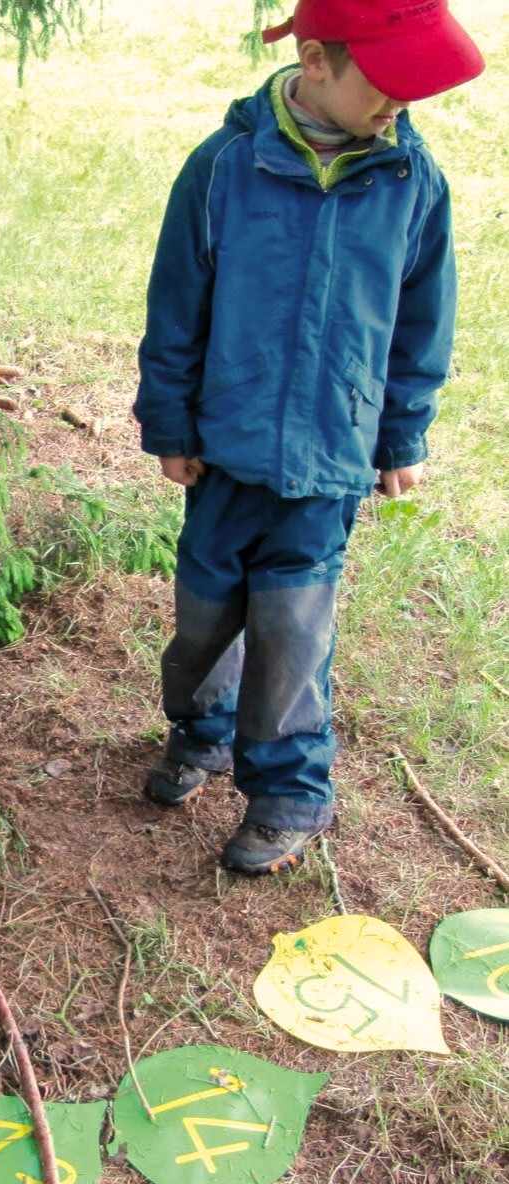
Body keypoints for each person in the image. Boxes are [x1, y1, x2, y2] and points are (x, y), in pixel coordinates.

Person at [133, 0, 483, 875]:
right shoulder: (223, 168)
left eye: (413, 91)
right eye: (387, 85)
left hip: (332, 454)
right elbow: (175, 307)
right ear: (318, 60)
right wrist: (170, 423)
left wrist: (401, 432)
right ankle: (202, 730)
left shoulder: (411, 181)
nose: (400, 107)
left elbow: (422, 323)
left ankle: (289, 791)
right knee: (204, 621)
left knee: (293, 632)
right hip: (224, 452)